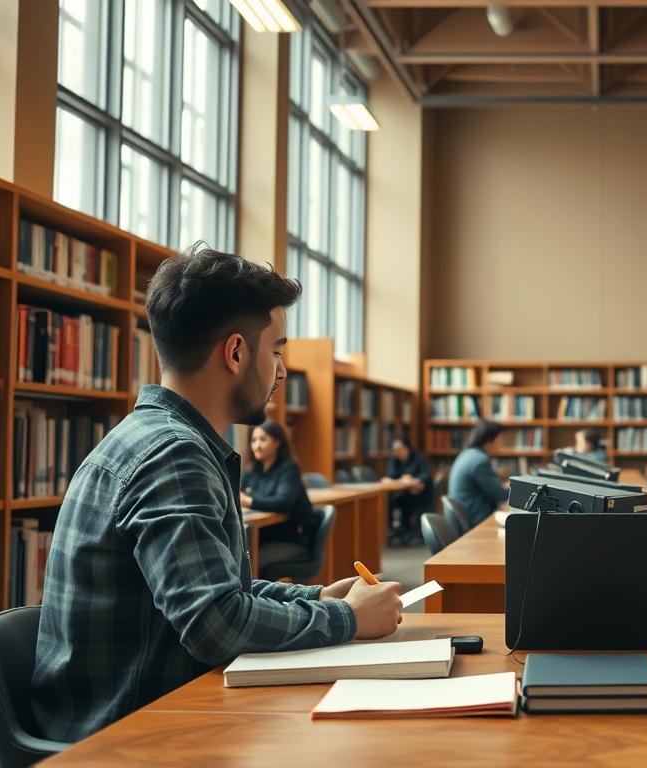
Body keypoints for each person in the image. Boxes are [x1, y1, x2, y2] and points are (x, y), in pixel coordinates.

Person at [31, 246, 404, 743]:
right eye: (276, 351)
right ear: (235, 353)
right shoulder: (174, 456)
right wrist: (347, 618)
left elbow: (218, 593)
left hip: (149, 710)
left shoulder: (150, 437)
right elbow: (216, 625)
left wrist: (314, 596)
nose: (282, 372)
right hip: (126, 738)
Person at [239, 420, 317, 578]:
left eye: (263, 439)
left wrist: (249, 501)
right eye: (254, 440)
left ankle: (258, 601)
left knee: (250, 560)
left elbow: (282, 502)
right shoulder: (252, 470)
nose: (257, 445)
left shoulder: (289, 469)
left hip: (290, 538)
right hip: (263, 536)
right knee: (236, 555)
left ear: (277, 442)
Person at [447, 420, 507, 527]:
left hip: (465, 514)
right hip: (476, 518)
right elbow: (499, 495)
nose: (502, 444)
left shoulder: (468, 454)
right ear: (489, 439)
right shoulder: (480, 460)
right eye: (500, 439)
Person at [385, 435, 433, 545]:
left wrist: (415, 480)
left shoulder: (419, 458)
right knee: (389, 501)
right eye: (394, 450)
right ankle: (392, 530)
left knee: (403, 500)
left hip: (420, 494)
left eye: (399, 450)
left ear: (407, 448)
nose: (397, 453)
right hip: (403, 493)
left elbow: (426, 475)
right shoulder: (394, 460)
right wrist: (400, 479)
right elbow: (390, 475)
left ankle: (406, 530)